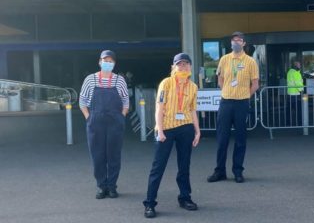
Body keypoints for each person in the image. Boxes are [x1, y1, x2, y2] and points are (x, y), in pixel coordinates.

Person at [143, 53, 201, 219]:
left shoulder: (193, 87)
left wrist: (197, 130)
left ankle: (185, 198)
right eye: (179, 64)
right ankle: (149, 203)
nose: (183, 67)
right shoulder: (166, 84)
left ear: (190, 67)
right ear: (173, 67)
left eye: (186, 64)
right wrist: (160, 131)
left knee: (184, 166)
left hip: (186, 128)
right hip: (166, 129)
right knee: (158, 166)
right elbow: (159, 108)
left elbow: (192, 110)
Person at [207, 31, 259, 183]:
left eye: (239, 40)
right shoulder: (224, 59)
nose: (236, 42)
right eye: (233, 40)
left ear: (244, 43)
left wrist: (244, 95)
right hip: (226, 102)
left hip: (241, 103)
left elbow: (255, 84)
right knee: (222, 138)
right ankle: (219, 171)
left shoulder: (250, 61)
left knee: (240, 139)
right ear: (231, 43)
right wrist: (227, 91)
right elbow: (220, 79)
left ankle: (238, 171)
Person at [79, 50, 129, 199]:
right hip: (95, 122)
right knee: (98, 155)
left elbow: (126, 101)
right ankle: (101, 186)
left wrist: (122, 116)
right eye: (105, 60)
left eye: (111, 61)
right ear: (99, 62)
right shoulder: (90, 79)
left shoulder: (119, 80)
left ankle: (112, 186)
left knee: (114, 155)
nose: (108, 63)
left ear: (114, 63)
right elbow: (82, 101)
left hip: (115, 122)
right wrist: (89, 118)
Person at [287, 60, 304, 126]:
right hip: (296, 94)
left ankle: (288, 123)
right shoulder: (296, 73)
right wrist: (302, 91)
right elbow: (298, 84)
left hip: (290, 93)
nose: (300, 66)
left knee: (289, 110)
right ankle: (300, 123)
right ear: (296, 66)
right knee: (299, 111)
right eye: (299, 65)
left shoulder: (289, 72)